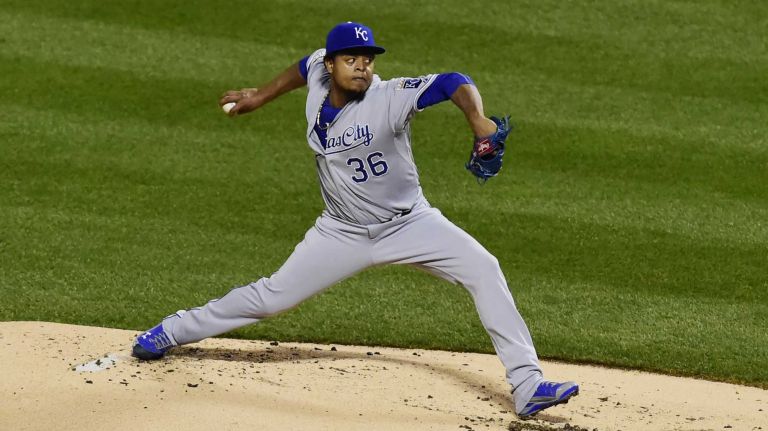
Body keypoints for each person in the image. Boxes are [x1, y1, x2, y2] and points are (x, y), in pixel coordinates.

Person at [132, 21, 579, 418]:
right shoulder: (317, 76)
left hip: (410, 225)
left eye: (367, 59)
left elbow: (452, 81)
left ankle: (526, 385)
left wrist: (477, 119)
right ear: (331, 65)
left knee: (484, 268)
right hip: (340, 231)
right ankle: (172, 329)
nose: (362, 67)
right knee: (271, 299)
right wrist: (260, 95)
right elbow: (302, 66)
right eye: (352, 59)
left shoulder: (390, 97)